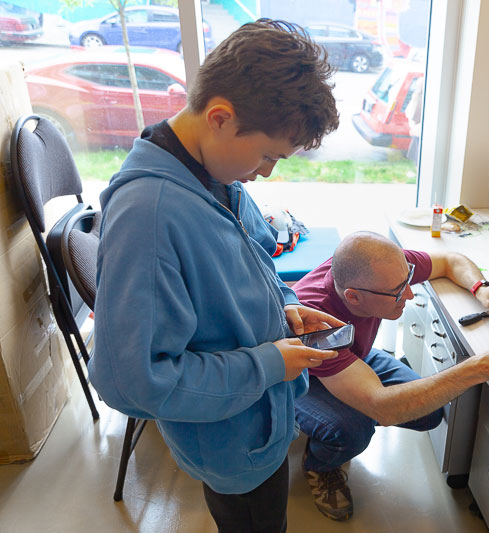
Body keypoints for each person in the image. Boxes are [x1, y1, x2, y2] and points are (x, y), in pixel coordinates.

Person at [88, 20, 342, 532]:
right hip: (232, 444)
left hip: (260, 423)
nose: (268, 171)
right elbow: (133, 383)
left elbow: (253, 264)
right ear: (221, 117)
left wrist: (284, 306)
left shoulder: (215, 175)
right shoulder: (150, 215)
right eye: (268, 155)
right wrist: (269, 364)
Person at [292, 231, 489, 521]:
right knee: (354, 429)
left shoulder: (381, 269)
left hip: (351, 355)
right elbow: (381, 408)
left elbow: (449, 260)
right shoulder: (317, 320)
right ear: (353, 297)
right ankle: (321, 464)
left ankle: (347, 405)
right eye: (398, 291)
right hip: (300, 378)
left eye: (407, 279)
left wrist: (480, 287)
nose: (409, 293)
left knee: (428, 413)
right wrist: (478, 367)